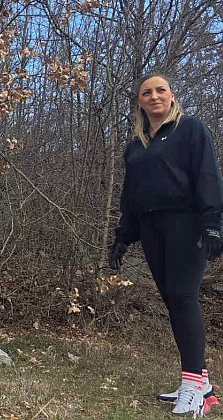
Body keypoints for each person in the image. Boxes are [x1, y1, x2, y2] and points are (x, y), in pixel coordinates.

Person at [109, 73, 223, 416]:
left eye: (161, 90)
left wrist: (213, 224)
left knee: (184, 297)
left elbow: (207, 175)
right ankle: (201, 383)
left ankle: (194, 388)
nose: (154, 96)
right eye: (147, 92)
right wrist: (123, 236)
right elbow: (131, 195)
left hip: (185, 224)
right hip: (150, 227)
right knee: (173, 301)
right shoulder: (137, 145)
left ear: (172, 96)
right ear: (139, 102)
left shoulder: (190, 129)